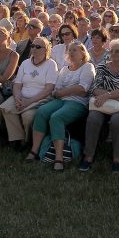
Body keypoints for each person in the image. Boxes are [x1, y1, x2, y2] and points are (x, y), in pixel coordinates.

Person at [27, 41, 95, 171]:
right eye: (69, 50)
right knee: (41, 112)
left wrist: (63, 92)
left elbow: (83, 88)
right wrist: (63, 92)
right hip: (61, 100)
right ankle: (34, 150)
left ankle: (59, 158)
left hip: (77, 102)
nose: (71, 52)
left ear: (83, 53)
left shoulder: (87, 67)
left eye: (74, 50)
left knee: (56, 117)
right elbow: (56, 90)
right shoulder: (64, 69)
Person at [79, 38, 119, 173]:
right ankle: (88, 156)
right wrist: (111, 96)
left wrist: (108, 95)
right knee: (93, 118)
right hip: (104, 103)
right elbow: (95, 89)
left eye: (118, 51)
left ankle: (117, 159)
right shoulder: (102, 67)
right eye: (112, 51)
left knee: (118, 121)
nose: (114, 53)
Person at [0, 37, 58, 153]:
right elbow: (17, 84)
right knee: (6, 109)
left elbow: (49, 89)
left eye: (38, 47)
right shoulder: (25, 63)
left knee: (27, 117)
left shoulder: (51, 64)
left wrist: (29, 102)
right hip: (22, 96)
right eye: (33, 46)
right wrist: (17, 98)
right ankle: (18, 139)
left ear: (46, 50)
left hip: (40, 99)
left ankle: (29, 141)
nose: (34, 48)